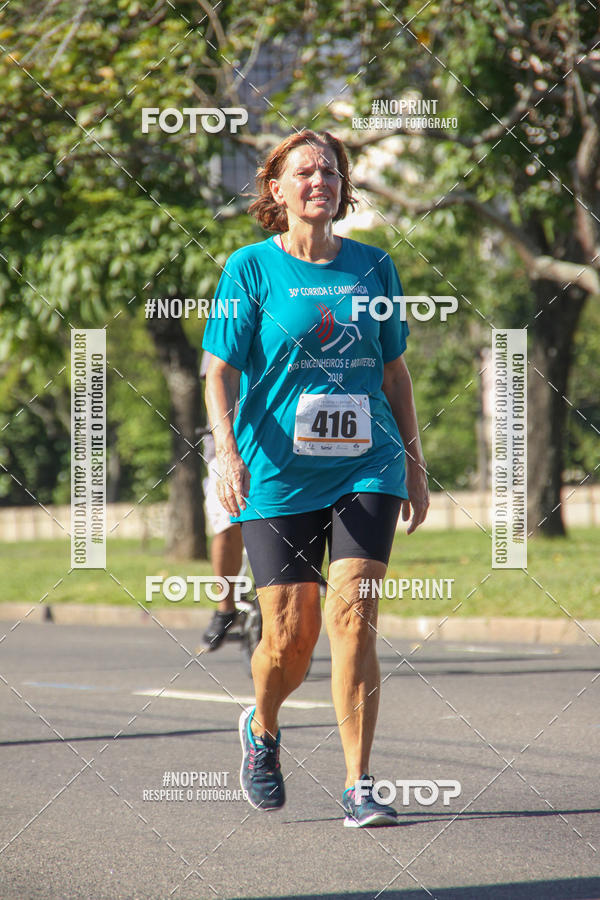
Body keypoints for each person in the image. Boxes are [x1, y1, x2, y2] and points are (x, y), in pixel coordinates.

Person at [202, 129, 429, 827]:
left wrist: (415, 462)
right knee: (289, 637)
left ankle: (359, 784)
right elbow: (220, 371)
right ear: (276, 189)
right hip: (276, 470)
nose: (319, 180)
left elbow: (394, 371)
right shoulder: (249, 270)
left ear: (342, 186)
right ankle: (262, 727)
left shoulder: (373, 267)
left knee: (354, 616)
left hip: (368, 463)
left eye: (329, 170)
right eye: (304, 171)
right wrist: (228, 453)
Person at [200, 351, 244, 650]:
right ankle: (225, 608)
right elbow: (217, 379)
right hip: (228, 447)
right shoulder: (230, 315)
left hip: (285, 445)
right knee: (227, 525)